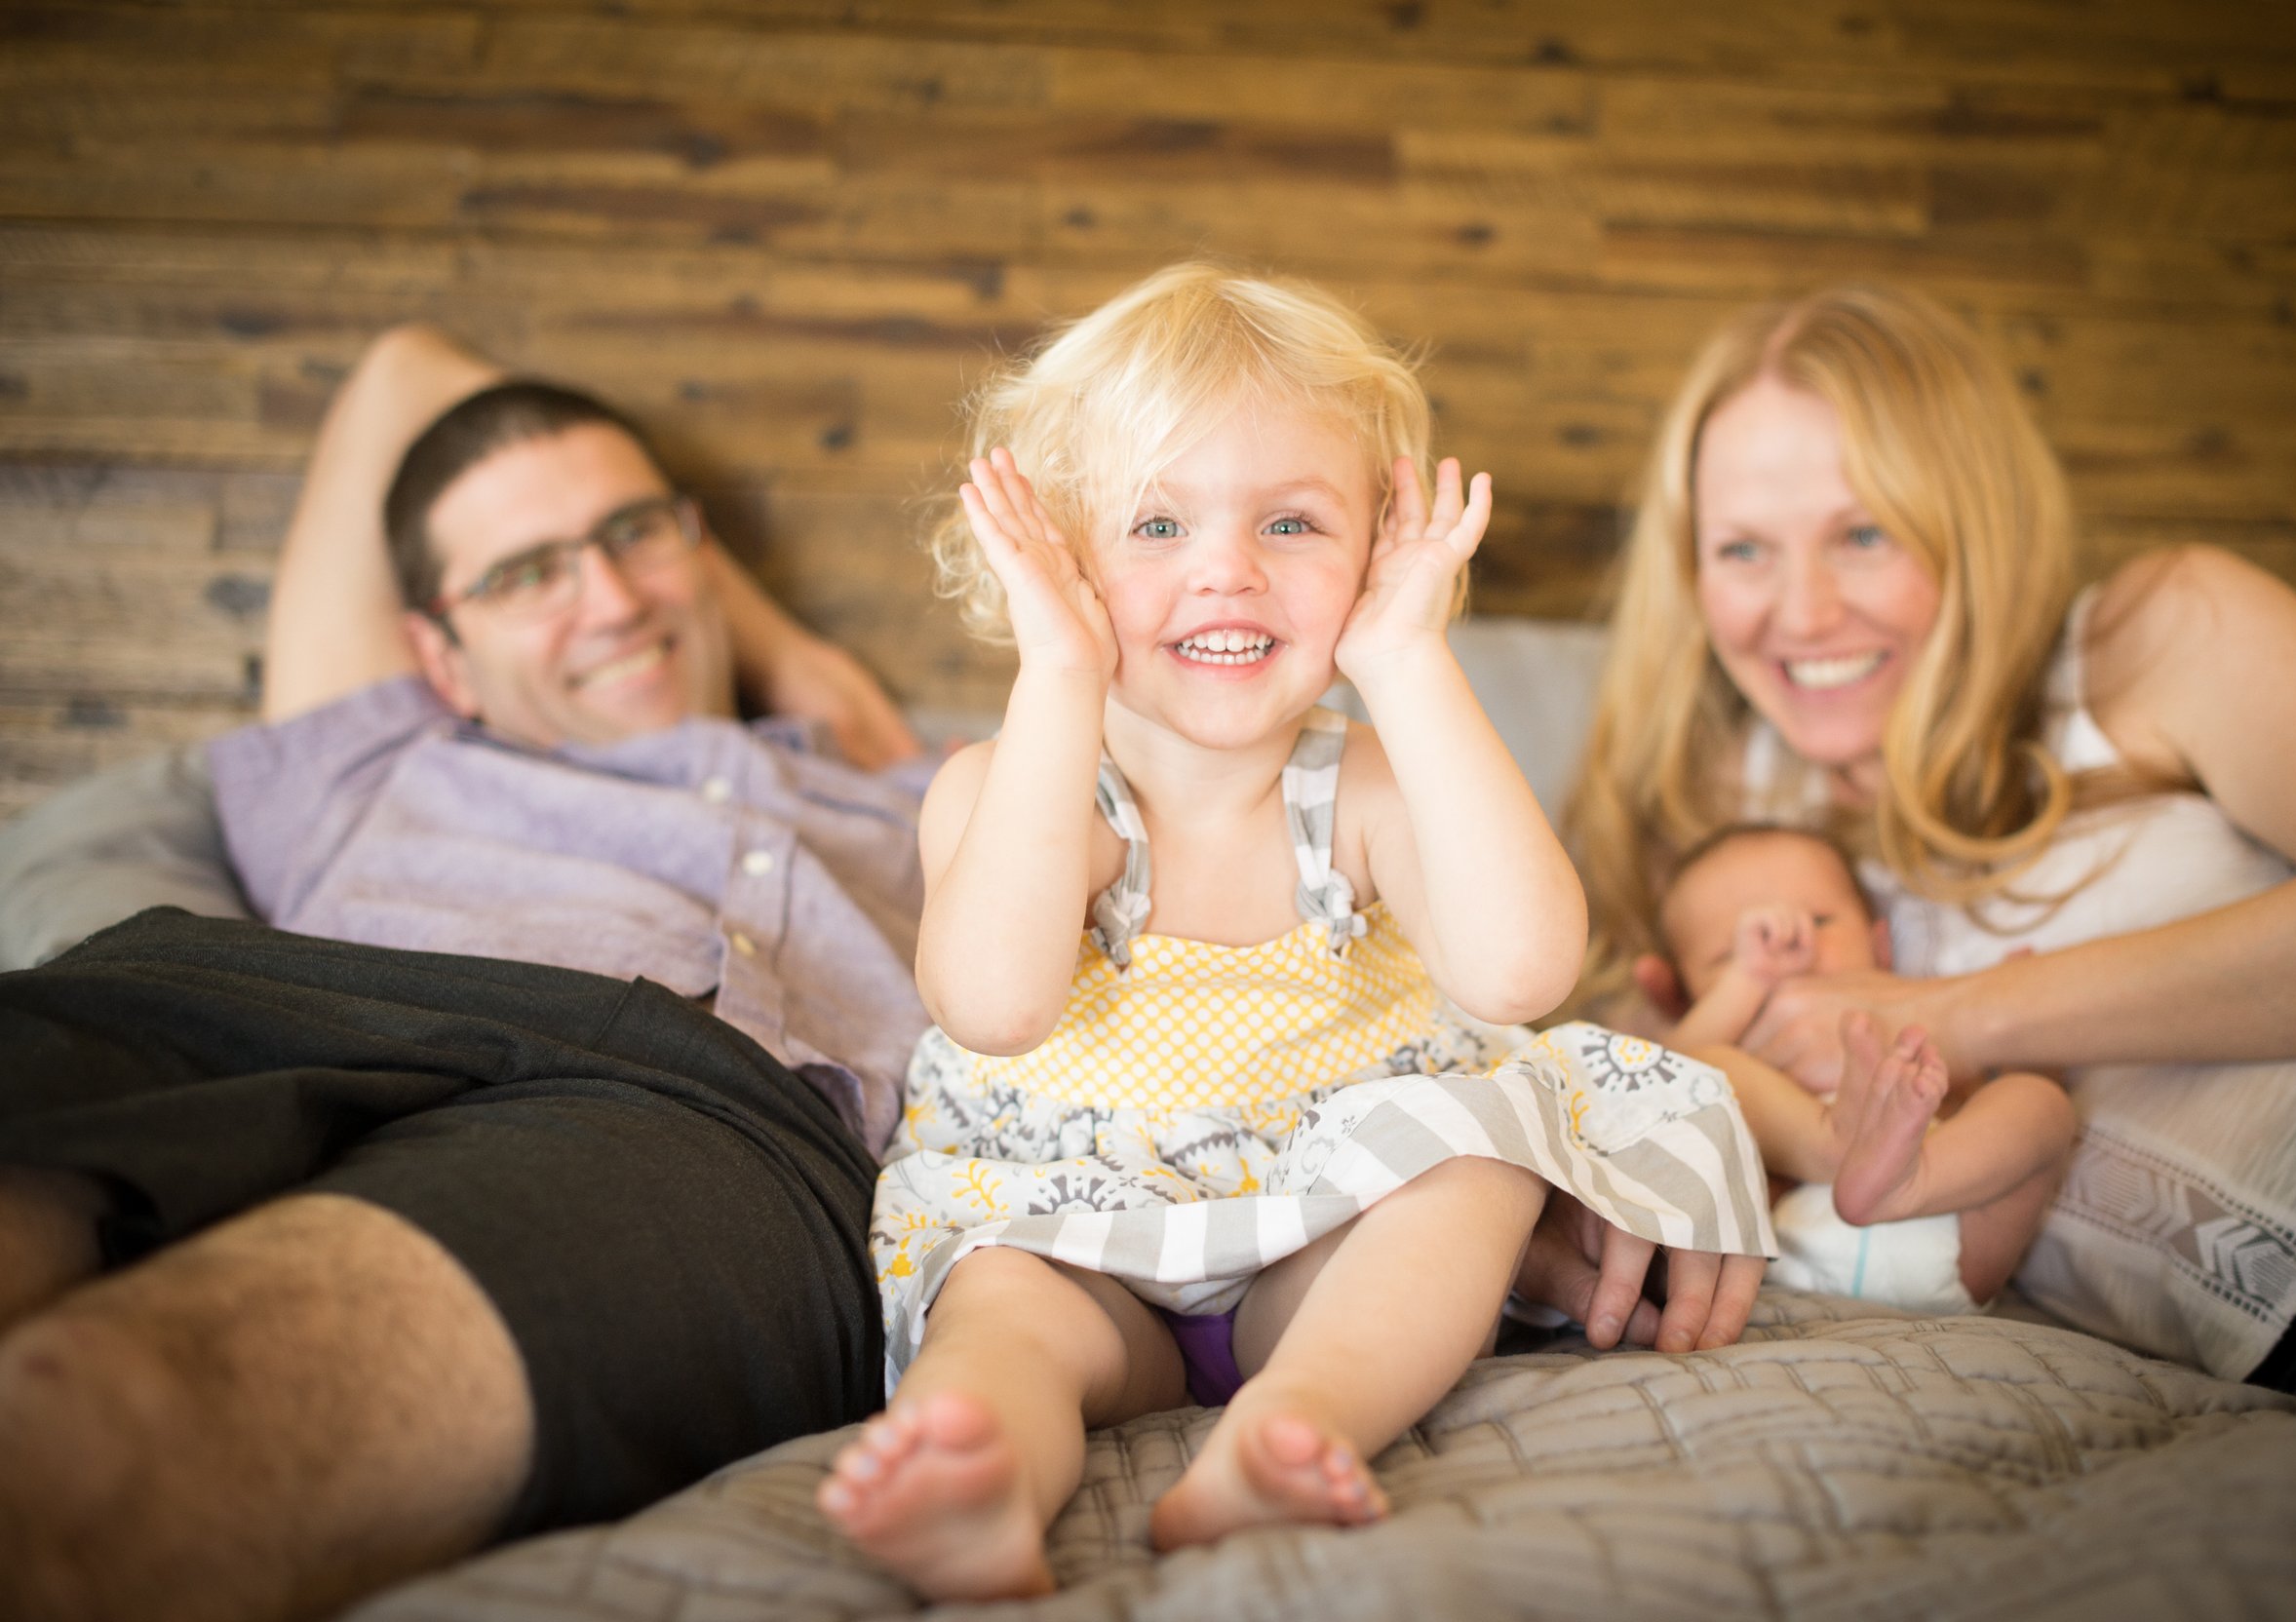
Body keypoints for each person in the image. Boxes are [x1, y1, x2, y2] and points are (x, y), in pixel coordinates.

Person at [0, 322, 1764, 1622]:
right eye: (533, 572)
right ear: (434, 653)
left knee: (95, 1429)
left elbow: (1506, 965)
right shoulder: (370, 755)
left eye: (641, 534)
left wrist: (780, 660)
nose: (608, 596)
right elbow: (399, 366)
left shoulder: (890, 761)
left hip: (687, 1122)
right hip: (285, 997)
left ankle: (1108, 1445)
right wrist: (867, 639)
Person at [810, 264, 1774, 1603]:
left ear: (1374, 551)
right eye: (1156, 524)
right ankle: (975, 1478)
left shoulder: (1367, 785)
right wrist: (1059, 676)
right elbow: (992, 1004)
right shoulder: (1017, 785)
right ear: (1058, 563)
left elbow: (1521, 973)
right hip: (1070, 1235)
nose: (1229, 569)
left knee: (1480, 1156)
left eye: (1292, 522)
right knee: (1001, 1318)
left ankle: (1294, 1424)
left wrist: (1408, 660)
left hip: (1316, 1249)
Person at [1566, 284, 2296, 1408]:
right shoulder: (1707, 808)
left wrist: (1963, 1013)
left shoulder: (2152, 636)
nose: (1804, 612)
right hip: (2279, 1359)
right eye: (1742, 549)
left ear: (1972, 524)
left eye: (1863, 533)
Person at [1659, 825, 2077, 1313]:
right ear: (1687, 997)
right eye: (1733, 952)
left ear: (1880, 946)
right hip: (1779, 1245)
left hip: (1949, 1236)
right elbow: (1660, 1075)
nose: (1786, 946)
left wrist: (2020, 1037)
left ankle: (1908, 1181)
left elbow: (1991, 1107)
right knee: (1705, 1072)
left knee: (2039, 1102)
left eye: (1819, 921)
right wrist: (1748, 981)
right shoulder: (1732, 1051)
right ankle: (1833, 1142)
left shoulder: (1917, 1025)